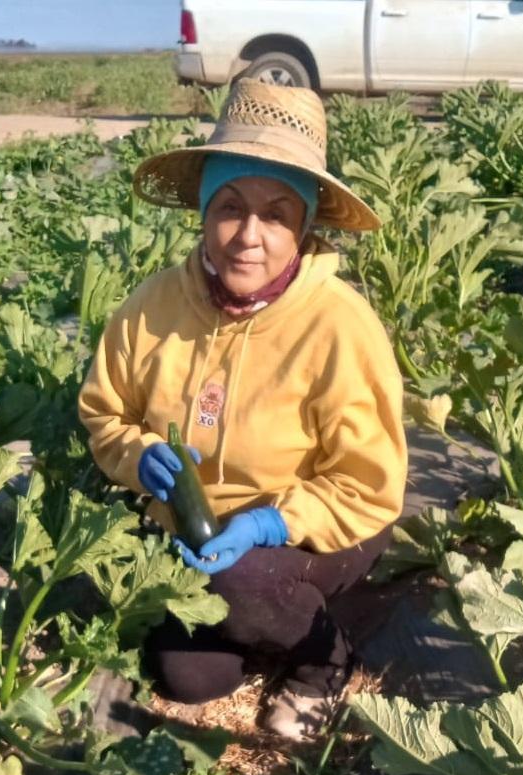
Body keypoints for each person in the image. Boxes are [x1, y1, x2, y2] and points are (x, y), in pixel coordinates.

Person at [78, 79, 407, 740]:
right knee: (186, 677)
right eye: (229, 206)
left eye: (277, 213)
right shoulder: (152, 304)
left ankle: (323, 658)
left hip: (320, 527)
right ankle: (261, 615)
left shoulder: (339, 324)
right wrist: (140, 458)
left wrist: (271, 523)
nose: (247, 236)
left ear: (304, 225)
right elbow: (104, 414)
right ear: (202, 209)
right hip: (196, 534)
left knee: (240, 576)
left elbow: (367, 486)